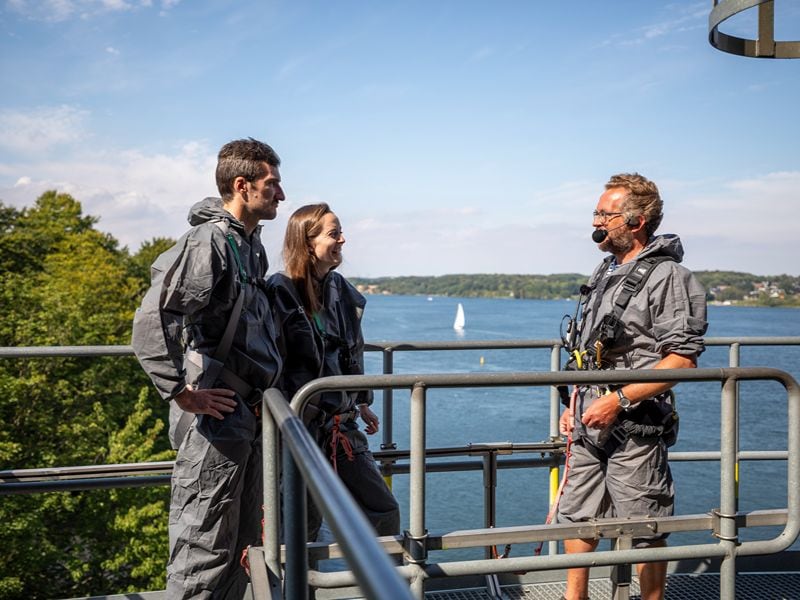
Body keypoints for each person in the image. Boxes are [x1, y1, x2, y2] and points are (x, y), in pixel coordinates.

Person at [131, 138, 285, 599]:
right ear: (242, 186)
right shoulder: (210, 242)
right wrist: (182, 393)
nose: (280, 194)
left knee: (242, 547)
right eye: (272, 184)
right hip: (215, 418)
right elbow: (153, 319)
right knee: (203, 548)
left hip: (243, 415)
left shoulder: (248, 246)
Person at [556, 173, 707, 600]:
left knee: (645, 525)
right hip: (587, 419)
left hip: (635, 424)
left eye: (605, 214)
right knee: (577, 515)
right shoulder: (606, 270)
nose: (596, 221)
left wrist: (619, 399)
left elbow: (682, 360)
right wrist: (573, 403)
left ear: (636, 221)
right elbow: (589, 350)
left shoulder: (669, 277)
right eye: (596, 213)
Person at [266, 203, 401, 542]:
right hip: (300, 428)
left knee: (382, 512)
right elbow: (273, 362)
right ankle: (297, 576)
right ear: (307, 242)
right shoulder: (280, 291)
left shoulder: (339, 289)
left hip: (341, 426)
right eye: (334, 233)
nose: (343, 239)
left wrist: (361, 401)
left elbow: (351, 350)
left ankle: (382, 575)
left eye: (341, 232)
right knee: (301, 523)